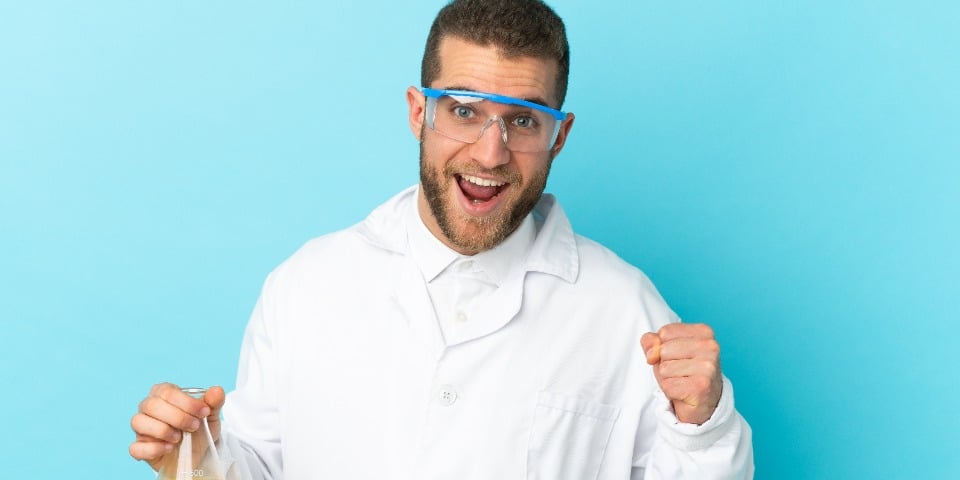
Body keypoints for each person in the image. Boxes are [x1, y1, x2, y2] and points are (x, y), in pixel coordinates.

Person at [129, 0, 754, 478]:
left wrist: (702, 426)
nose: (491, 152)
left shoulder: (625, 313)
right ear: (417, 112)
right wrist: (198, 458)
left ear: (558, 137)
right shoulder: (307, 286)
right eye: (463, 110)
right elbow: (258, 467)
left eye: (522, 120)